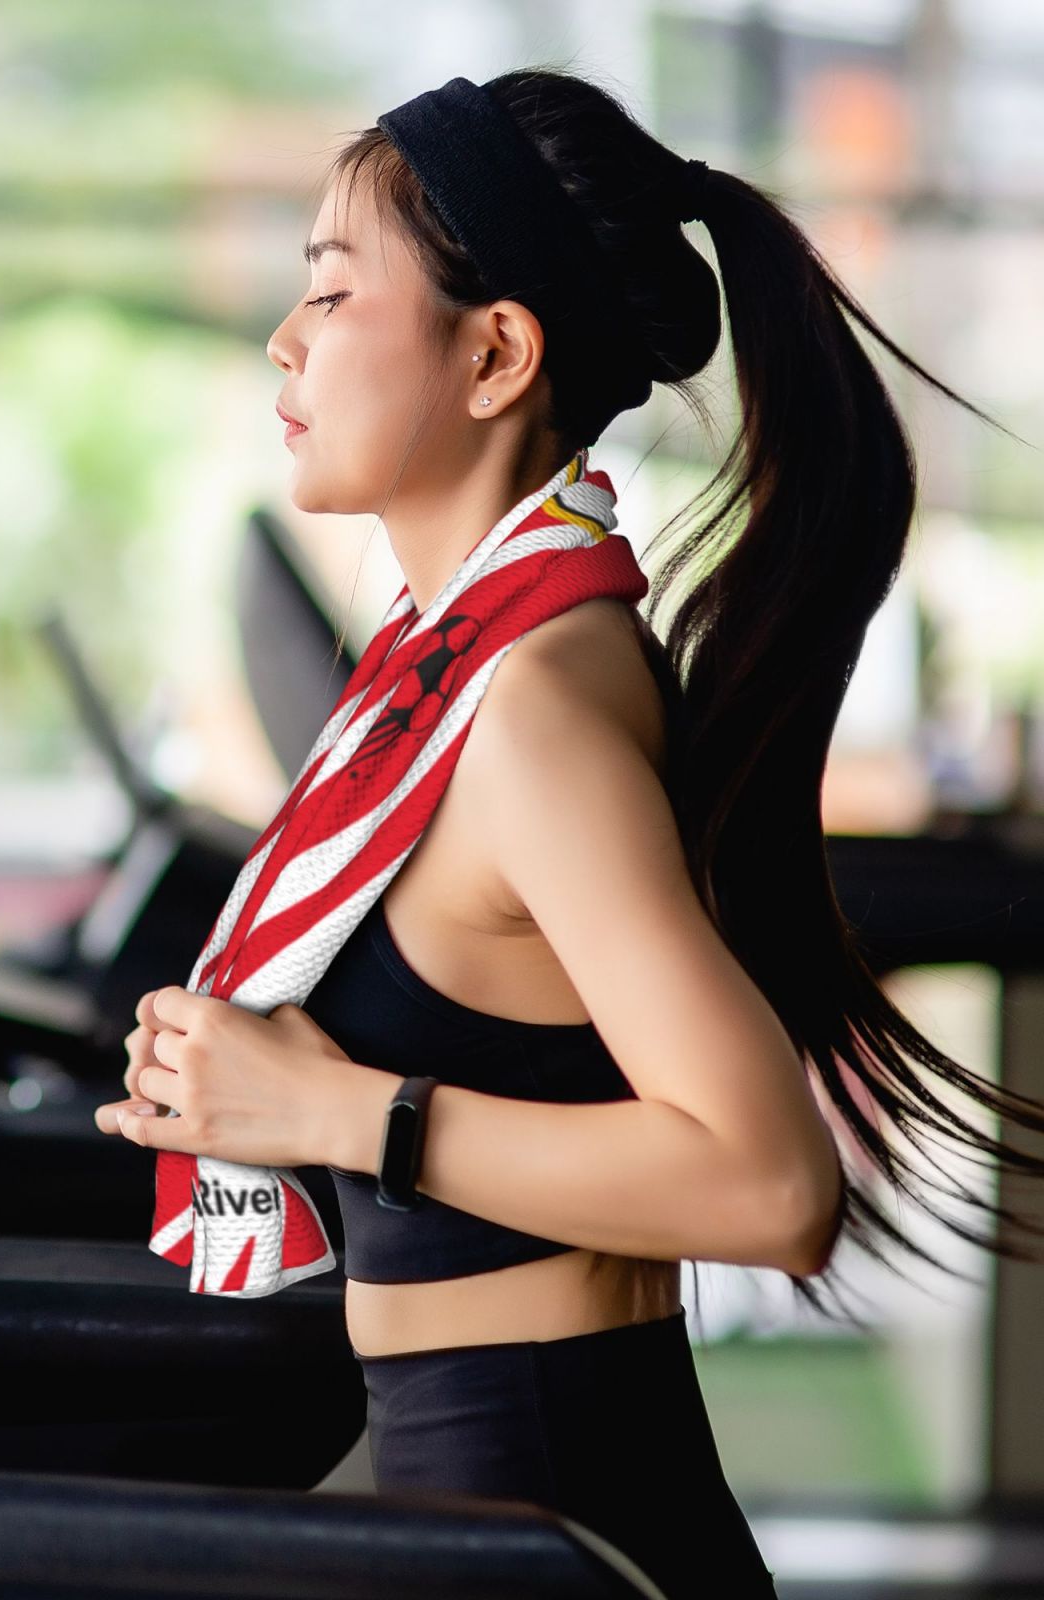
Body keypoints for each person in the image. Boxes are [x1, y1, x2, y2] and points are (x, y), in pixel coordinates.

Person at [94, 64, 1044, 1598]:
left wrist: (339, 1118)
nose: (285, 340)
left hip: (551, 1506)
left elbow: (771, 1184)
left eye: (333, 294)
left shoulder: (531, 704)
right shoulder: (466, 660)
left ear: (494, 356)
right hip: (498, 1494)